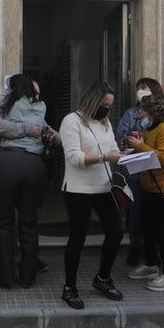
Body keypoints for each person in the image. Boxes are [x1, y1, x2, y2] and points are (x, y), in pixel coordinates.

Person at [57, 81, 126, 309]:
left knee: (115, 232)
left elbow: (113, 147)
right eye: (104, 104)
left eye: (110, 105)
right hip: (78, 189)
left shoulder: (104, 123)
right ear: (93, 101)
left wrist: (125, 154)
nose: (107, 108)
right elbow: (74, 157)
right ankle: (70, 287)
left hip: (104, 187)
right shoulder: (71, 121)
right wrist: (104, 157)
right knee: (77, 238)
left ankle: (103, 278)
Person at [0, 74, 55, 288]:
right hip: (35, 165)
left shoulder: (8, 102)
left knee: (3, 222)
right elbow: (55, 135)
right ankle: (28, 278)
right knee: (29, 223)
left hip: (8, 163)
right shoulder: (41, 107)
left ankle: (6, 277)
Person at [115, 77, 164, 267]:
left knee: (159, 228)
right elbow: (121, 137)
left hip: (160, 183)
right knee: (139, 217)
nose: (140, 115)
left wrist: (140, 145)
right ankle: (144, 256)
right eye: (138, 88)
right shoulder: (132, 115)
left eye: (143, 88)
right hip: (140, 177)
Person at [126, 94, 164, 292]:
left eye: (143, 109)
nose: (140, 112)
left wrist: (139, 146)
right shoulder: (150, 129)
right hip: (149, 189)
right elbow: (148, 154)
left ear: (154, 111)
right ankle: (151, 265)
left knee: (161, 233)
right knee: (148, 230)